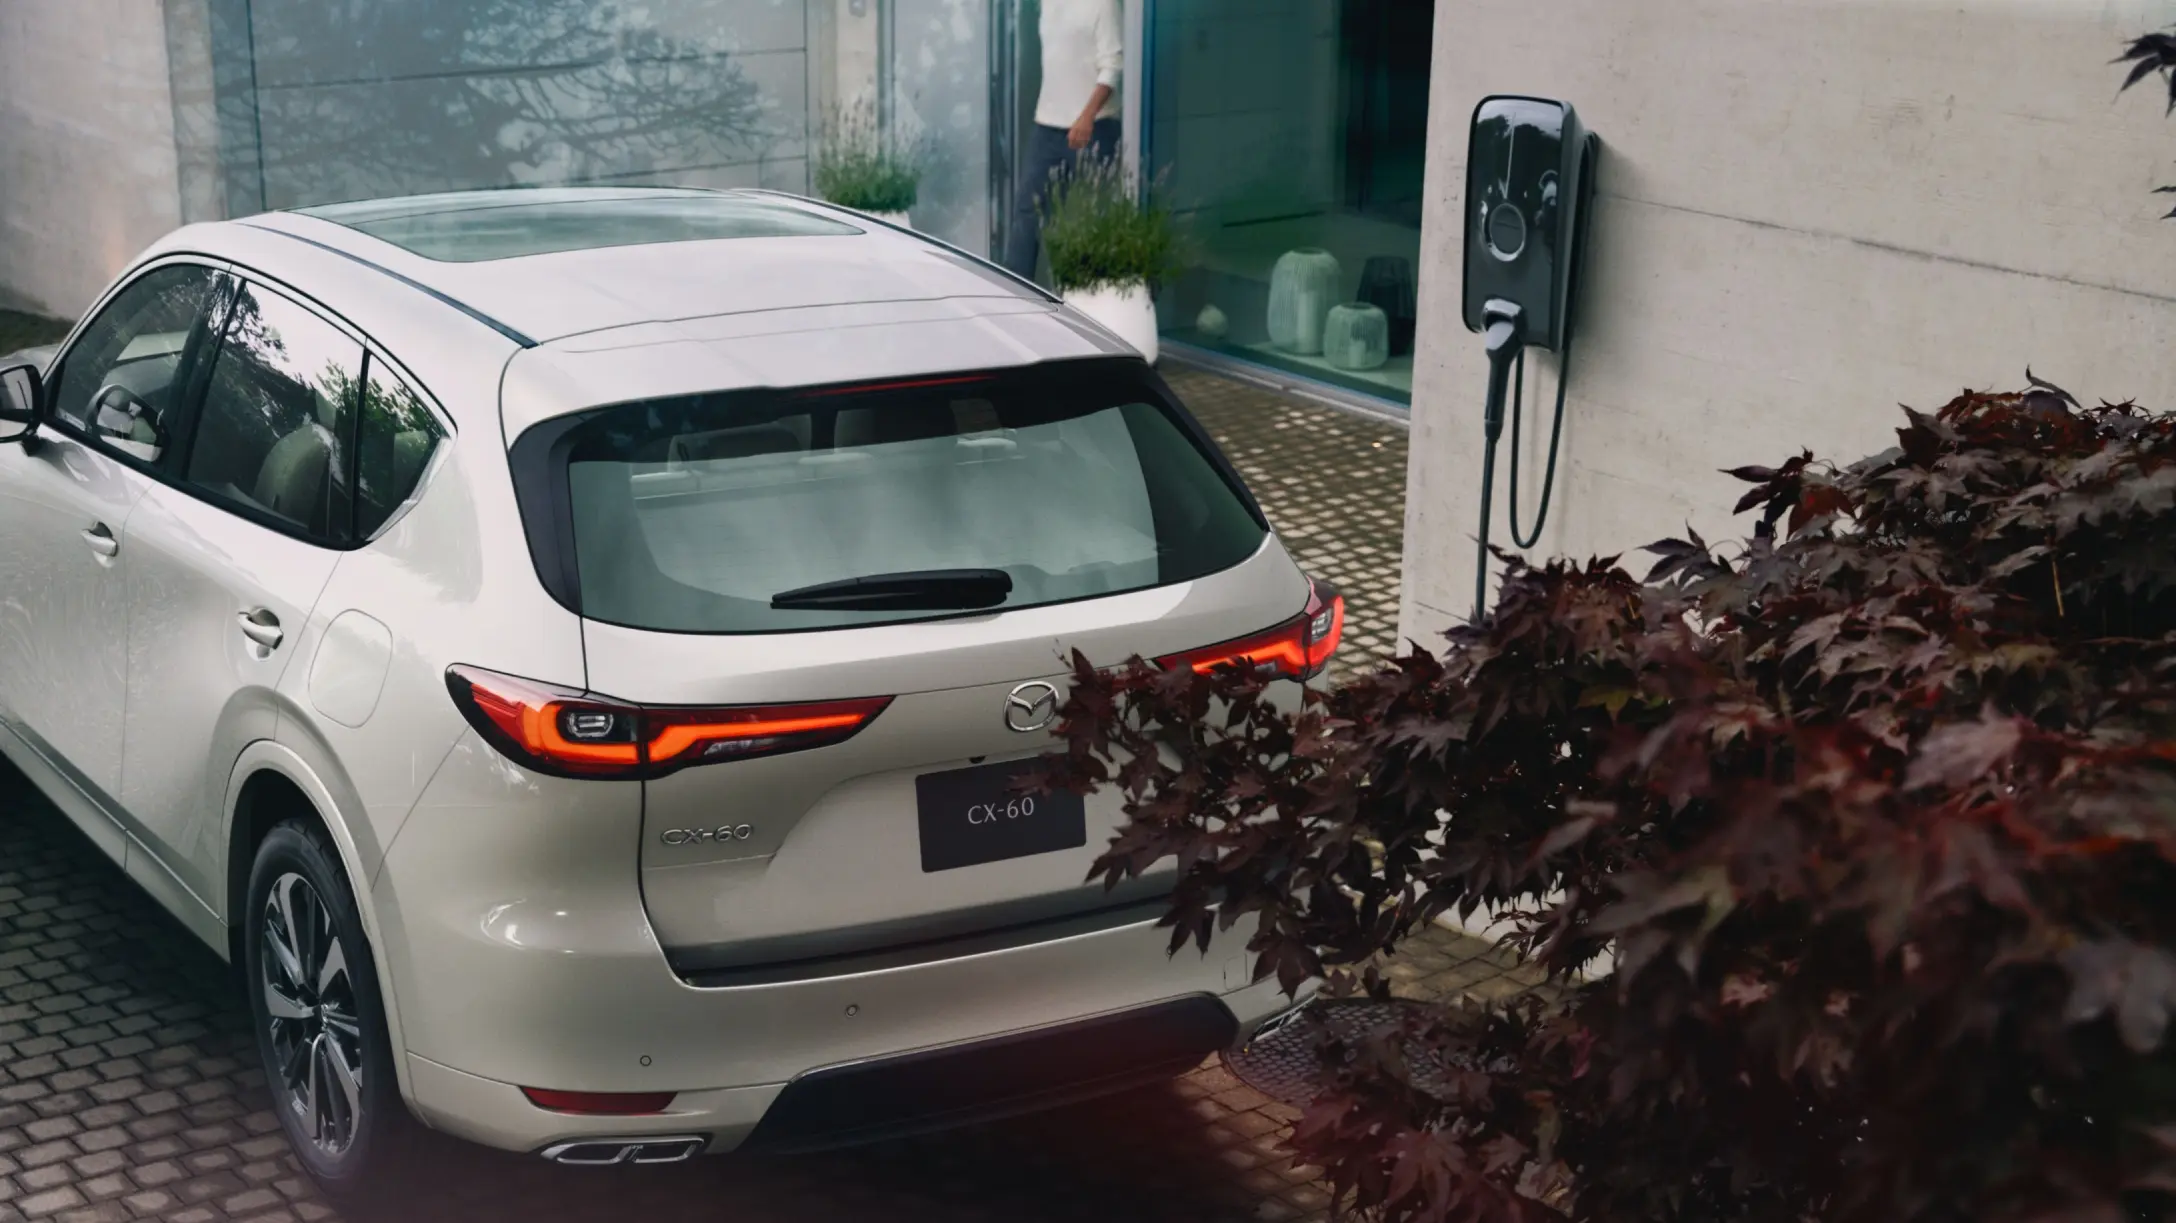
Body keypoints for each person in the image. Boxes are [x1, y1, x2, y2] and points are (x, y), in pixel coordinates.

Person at [1002, 0, 1123, 280]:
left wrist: (1087, 116)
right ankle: (1015, 292)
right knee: (1027, 212)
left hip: (1093, 128)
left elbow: (1113, 66)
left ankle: (1092, 297)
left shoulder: (1103, 5)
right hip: (1047, 124)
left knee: (1094, 215)